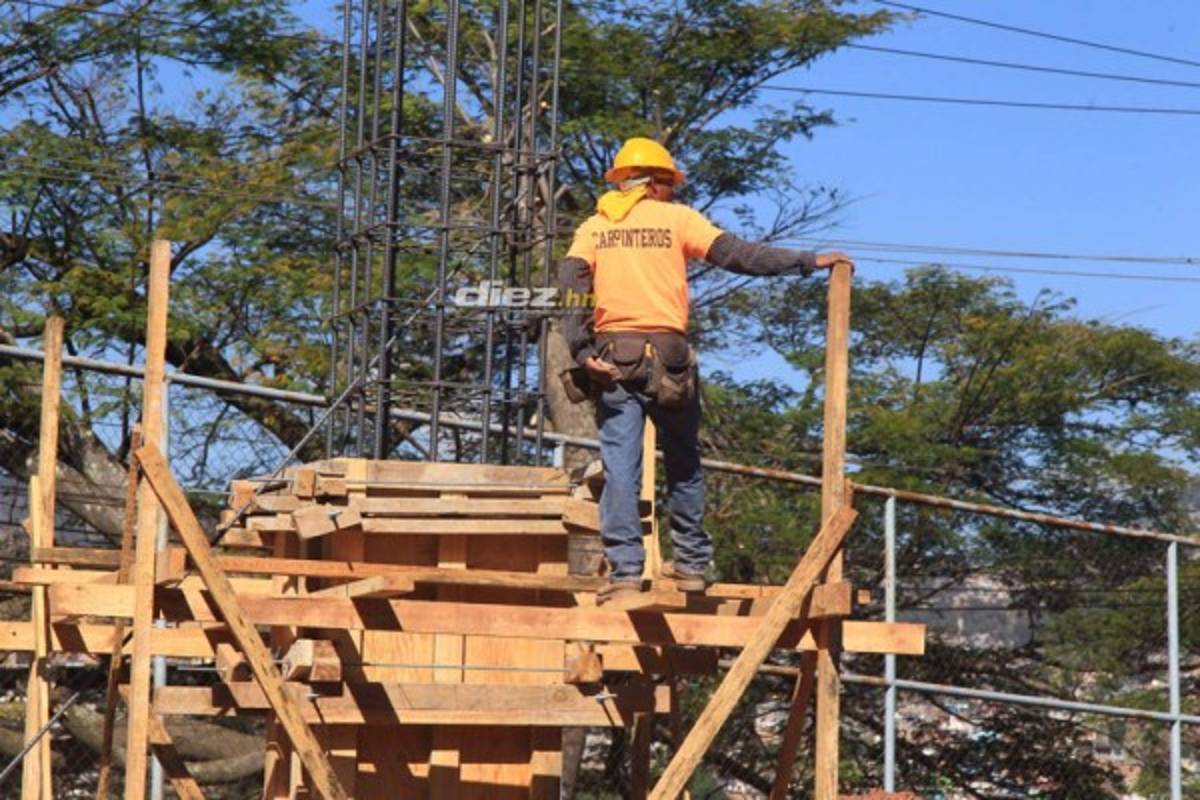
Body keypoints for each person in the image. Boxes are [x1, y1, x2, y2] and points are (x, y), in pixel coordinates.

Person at [558, 136, 852, 603]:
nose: (672, 192)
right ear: (655, 184)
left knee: (620, 467)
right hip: (670, 358)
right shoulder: (677, 220)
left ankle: (626, 574)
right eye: (669, 184)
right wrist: (807, 262)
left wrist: (579, 346)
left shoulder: (594, 227)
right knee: (684, 461)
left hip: (616, 358)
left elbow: (571, 282)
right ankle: (692, 564)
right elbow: (739, 255)